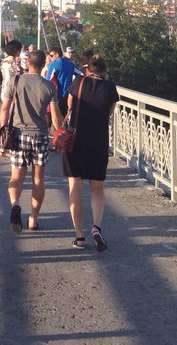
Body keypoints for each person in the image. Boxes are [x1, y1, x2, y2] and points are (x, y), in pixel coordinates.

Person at [0, 49, 62, 233]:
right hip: (40, 136)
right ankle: (33, 220)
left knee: (16, 177)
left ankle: (15, 205)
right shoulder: (49, 86)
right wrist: (58, 137)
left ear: (28, 63)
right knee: (38, 179)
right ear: (44, 64)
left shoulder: (15, 81)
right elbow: (55, 117)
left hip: (18, 135)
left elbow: (4, 109)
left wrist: (4, 134)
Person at [63, 54, 119, 252]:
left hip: (76, 141)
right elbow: (109, 112)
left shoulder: (78, 82)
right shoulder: (110, 88)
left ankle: (79, 236)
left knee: (75, 187)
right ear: (104, 72)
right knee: (97, 188)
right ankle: (96, 226)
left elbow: (70, 105)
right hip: (98, 142)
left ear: (88, 71)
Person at [44, 45, 78, 116]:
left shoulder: (53, 65)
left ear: (57, 55)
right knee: (64, 117)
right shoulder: (71, 64)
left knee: (55, 117)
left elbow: (47, 81)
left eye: (51, 55)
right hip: (68, 95)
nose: (50, 58)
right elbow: (81, 74)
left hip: (56, 96)